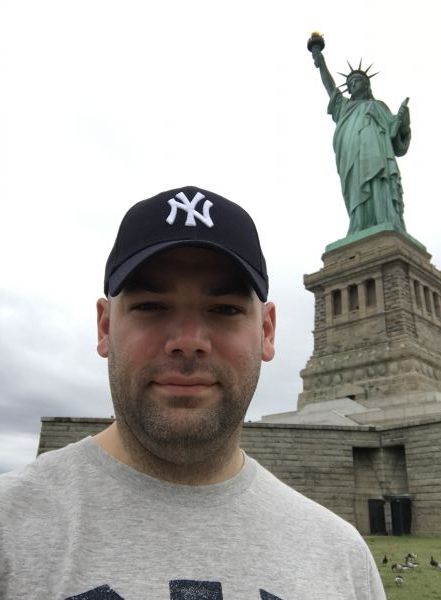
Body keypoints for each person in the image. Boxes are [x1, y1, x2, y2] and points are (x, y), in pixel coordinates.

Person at [0, 186, 386, 599]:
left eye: (224, 309)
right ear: (105, 326)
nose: (188, 341)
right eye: (151, 306)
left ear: (267, 331)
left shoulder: (343, 560)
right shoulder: (10, 529)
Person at [311, 45, 411, 235]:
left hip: (378, 154)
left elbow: (397, 138)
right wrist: (320, 62)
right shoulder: (344, 107)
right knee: (356, 188)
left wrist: (403, 121)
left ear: (366, 84)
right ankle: (359, 223)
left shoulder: (378, 106)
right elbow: (330, 87)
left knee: (379, 181)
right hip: (351, 155)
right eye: (350, 84)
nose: (352, 85)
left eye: (356, 81)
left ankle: (385, 218)